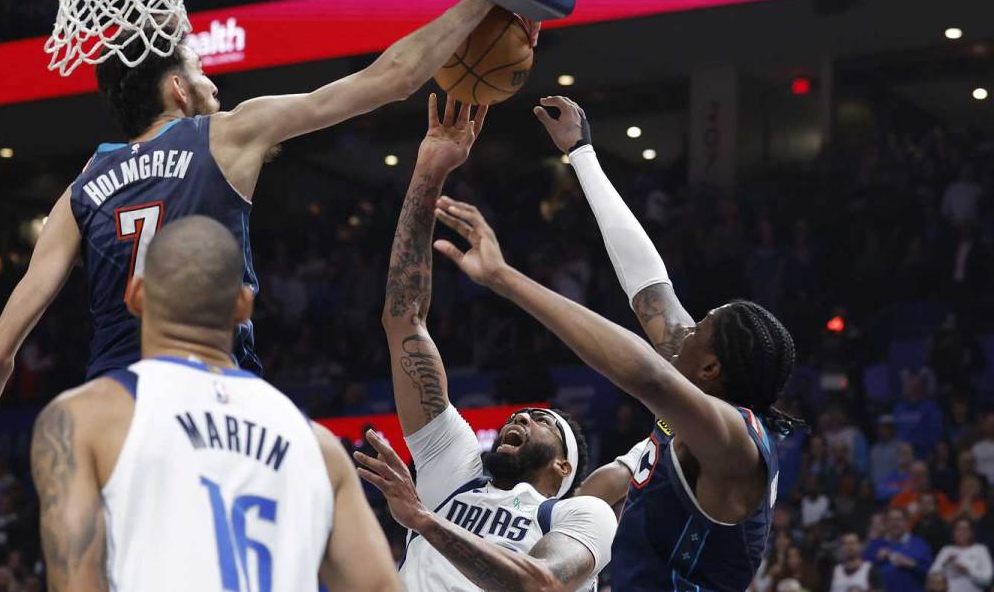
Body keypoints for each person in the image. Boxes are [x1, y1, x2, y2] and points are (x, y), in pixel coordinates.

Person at [0, 0, 514, 496]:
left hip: (113, 415)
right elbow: (391, 78)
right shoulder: (229, 132)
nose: (214, 81)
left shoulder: (79, 190)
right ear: (177, 88)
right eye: (202, 70)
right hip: (217, 407)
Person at [431, 95, 796, 591]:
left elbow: (647, 375)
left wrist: (505, 278)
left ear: (711, 370)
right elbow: (648, 285)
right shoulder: (695, 403)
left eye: (696, 330)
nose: (679, 330)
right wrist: (581, 152)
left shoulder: (737, 445)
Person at [29, 216, 398, 591]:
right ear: (243, 305)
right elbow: (381, 587)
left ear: (136, 296)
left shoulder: (85, 419)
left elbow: (76, 582)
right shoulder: (318, 445)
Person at [356, 94, 617, 591]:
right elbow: (404, 321)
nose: (520, 417)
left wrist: (425, 521)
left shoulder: (580, 514)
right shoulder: (455, 467)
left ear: (564, 465)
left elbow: (540, 583)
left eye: (542, 421)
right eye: (523, 413)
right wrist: (429, 172)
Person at [864, 507, 933, 592]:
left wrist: (913, 565)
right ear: (885, 523)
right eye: (891, 519)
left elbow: (930, 573)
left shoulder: (920, 545)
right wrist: (876, 557)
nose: (894, 523)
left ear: (906, 522)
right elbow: (863, 568)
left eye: (899, 519)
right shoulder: (876, 544)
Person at [929, 518, 993, 592]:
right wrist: (944, 563)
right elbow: (931, 576)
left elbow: (988, 579)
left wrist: (968, 571)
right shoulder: (946, 550)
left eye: (965, 529)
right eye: (958, 529)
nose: (961, 532)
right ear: (953, 532)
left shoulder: (980, 549)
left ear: (971, 532)